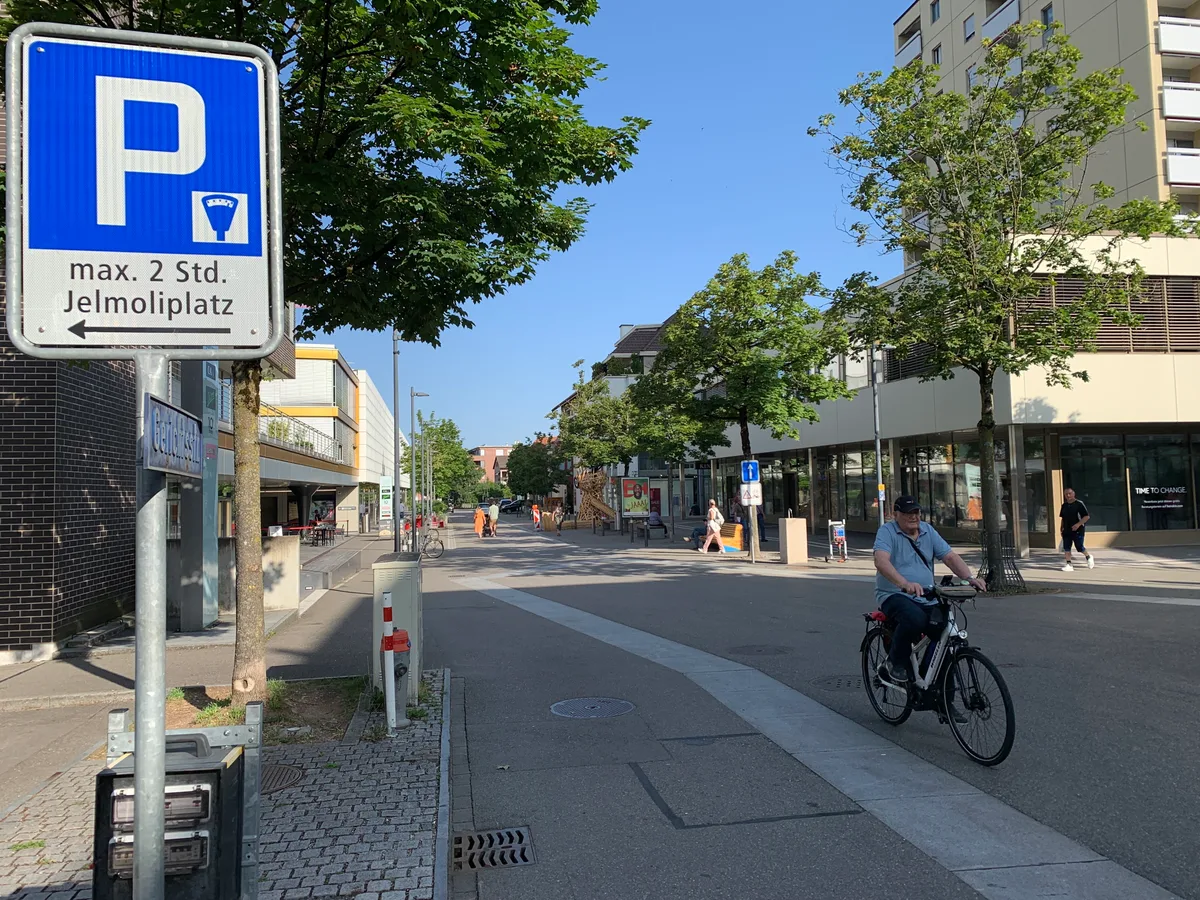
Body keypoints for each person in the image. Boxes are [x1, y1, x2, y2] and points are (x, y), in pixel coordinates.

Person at [873, 496, 986, 690]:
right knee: (914, 619)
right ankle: (895, 662)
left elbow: (949, 557)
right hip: (894, 594)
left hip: (926, 594)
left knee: (944, 634)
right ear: (896, 514)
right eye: (908, 513)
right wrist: (904, 583)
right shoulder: (887, 531)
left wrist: (969, 578)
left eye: (916, 512)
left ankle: (940, 697)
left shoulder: (927, 531)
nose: (913, 517)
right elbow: (881, 561)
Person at [1059, 487, 1094, 572]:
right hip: (1066, 529)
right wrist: (1061, 528)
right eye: (1066, 494)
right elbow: (1063, 518)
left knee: (1079, 547)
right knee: (1067, 547)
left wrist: (1078, 524)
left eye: (1070, 493)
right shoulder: (1064, 505)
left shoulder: (1079, 504)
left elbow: (1086, 516)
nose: (1068, 495)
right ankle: (1069, 564)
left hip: (1077, 530)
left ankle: (1088, 556)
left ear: (1073, 494)